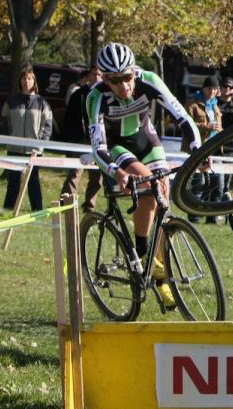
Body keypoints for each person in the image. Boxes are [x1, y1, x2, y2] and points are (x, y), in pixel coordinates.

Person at [87, 42, 201, 309]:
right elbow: (97, 147)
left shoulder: (148, 79)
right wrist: (116, 172)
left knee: (163, 198)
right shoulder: (95, 97)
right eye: (115, 81)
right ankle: (142, 250)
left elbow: (182, 116)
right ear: (104, 78)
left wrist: (198, 150)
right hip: (116, 147)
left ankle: (158, 271)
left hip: (146, 140)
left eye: (127, 77)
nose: (124, 86)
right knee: (149, 187)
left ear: (133, 72)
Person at [2, 67, 53, 212]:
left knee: (33, 181)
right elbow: (4, 121)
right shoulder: (11, 101)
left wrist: (41, 144)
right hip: (14, 148)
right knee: (13, 180)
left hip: (34, 151)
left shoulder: (42, 102)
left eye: (29, 78)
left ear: (34, 81)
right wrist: (8, 139)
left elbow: (48, 124)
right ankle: (8, 208)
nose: (26, 81)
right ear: (20, 81)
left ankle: (37, 210)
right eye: (23, 78)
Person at [60, 66, 103, 212]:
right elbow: (69, 119)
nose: (96, 77)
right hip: (79, 140)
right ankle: (66, 204)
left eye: (99, 74)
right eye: (93, 74)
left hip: (98, 141)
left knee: (97, 178)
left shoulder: (106, 96)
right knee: (75, 174)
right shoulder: (78, 94)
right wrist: (69, 141)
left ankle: (90, 206)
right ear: (88, 76)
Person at [186, 76, 224, 225]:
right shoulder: (193, 104)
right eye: (209, 88)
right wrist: (208, 127)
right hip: (198, 148)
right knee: (199, 184)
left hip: (215, 148)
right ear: (203, 88)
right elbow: (187, 124)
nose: (212, 91)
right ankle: (194, 217)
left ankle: (212, 216)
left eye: (215, 89)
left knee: (218, 183)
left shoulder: (215, 106)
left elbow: (218, 125)